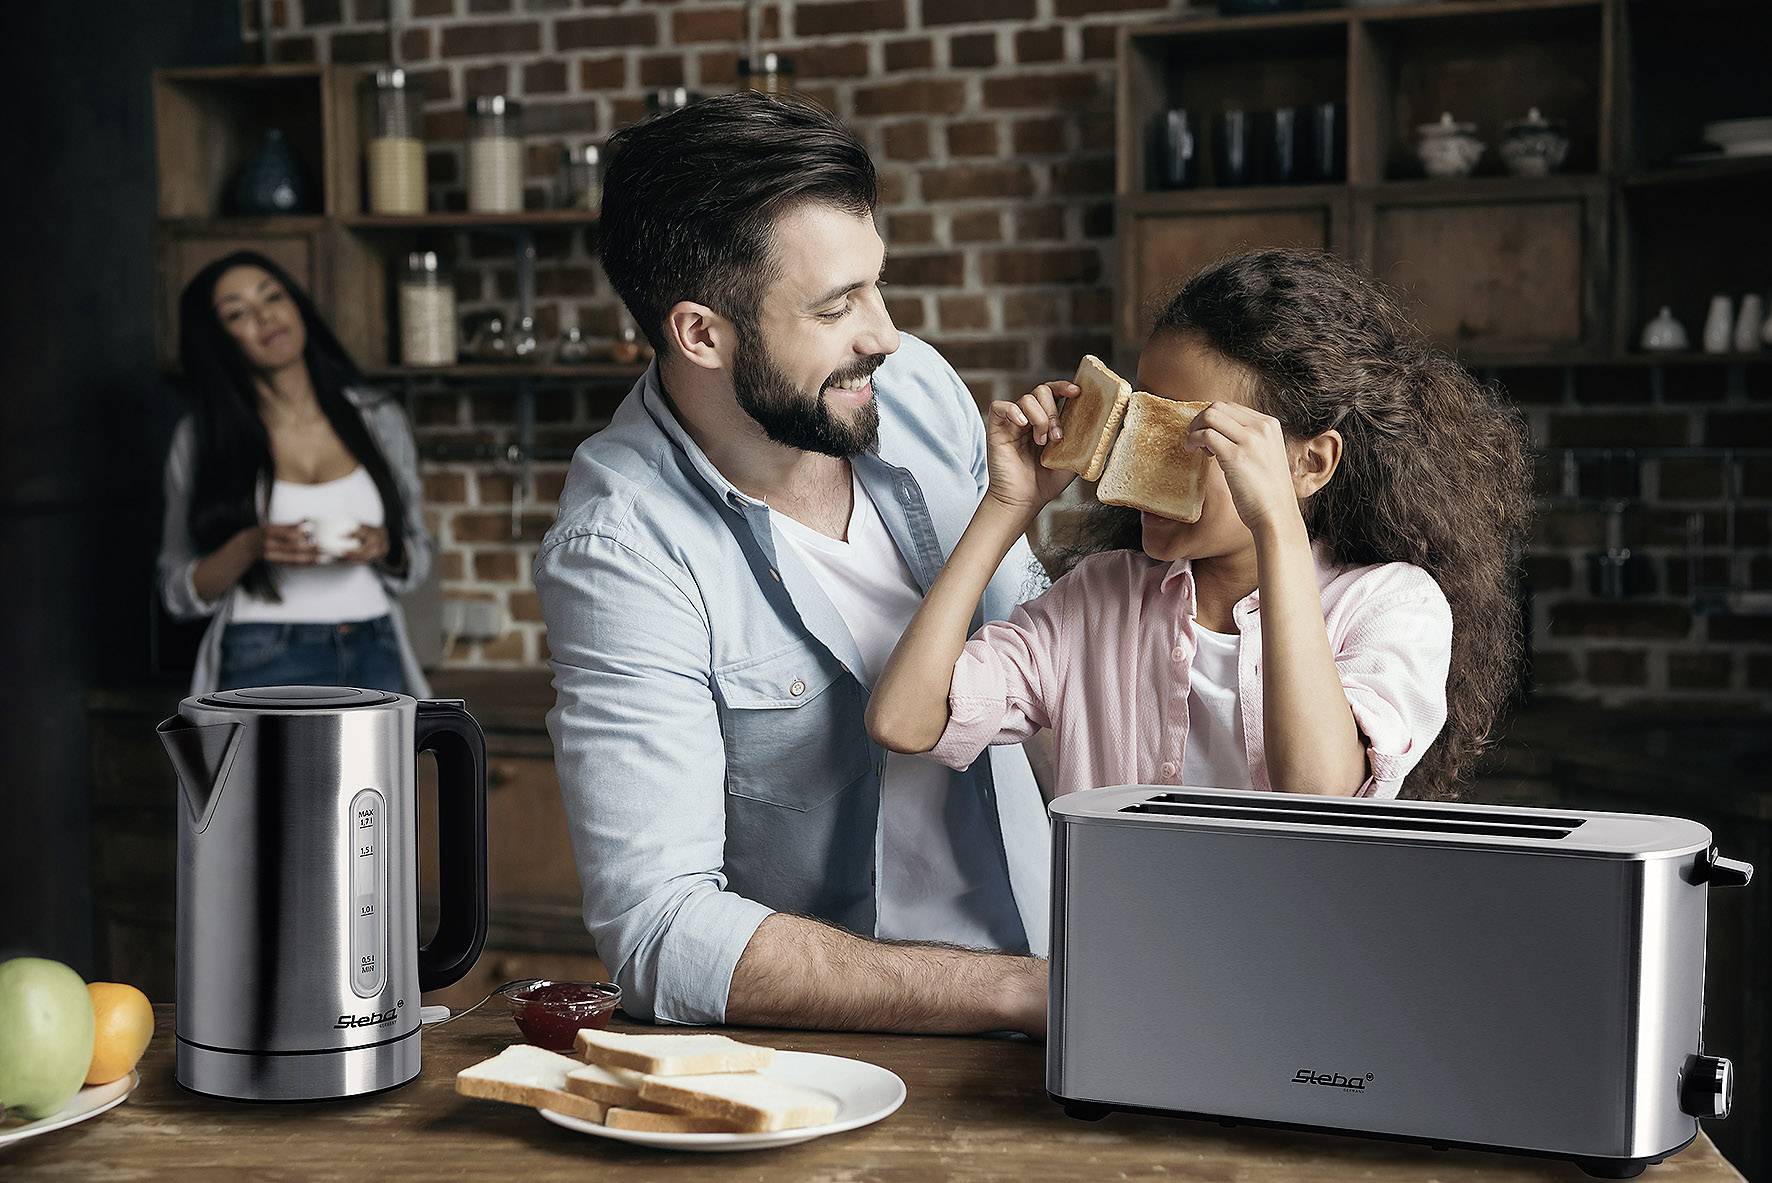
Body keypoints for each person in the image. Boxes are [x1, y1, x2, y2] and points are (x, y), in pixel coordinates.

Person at [533, 93, 1051, 1035]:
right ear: (701, 333)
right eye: (835, 306)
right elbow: (661, 930)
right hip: (865, 1050)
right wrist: (1026, 990)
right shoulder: (622, 548)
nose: (884, 335)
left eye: (877, 286)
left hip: (1074, 968)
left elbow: (1046, 665)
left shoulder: (920, 391)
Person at [867, 248, 1533, 802]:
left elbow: (1322, 794)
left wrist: (1275, 524)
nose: (1142, 459)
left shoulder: (1391, 602)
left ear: (1312, 462)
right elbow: (903, 719)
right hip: (1121, 956)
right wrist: (1007, 507)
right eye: (1146, 422)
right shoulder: (1100, 599)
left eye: (1200, 432)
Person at [157, 251, 433, 697]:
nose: (265, 316)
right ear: (217, 340)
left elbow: (417, 555)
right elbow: (176, 591)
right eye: (237, 313)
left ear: (296, 306)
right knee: (265, 771)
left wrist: (386, 548)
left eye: (273, 297)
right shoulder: (200, 439)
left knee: (384, 770)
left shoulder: (377, 418)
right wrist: (249, 546)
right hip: (261, 651)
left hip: (374, 643)